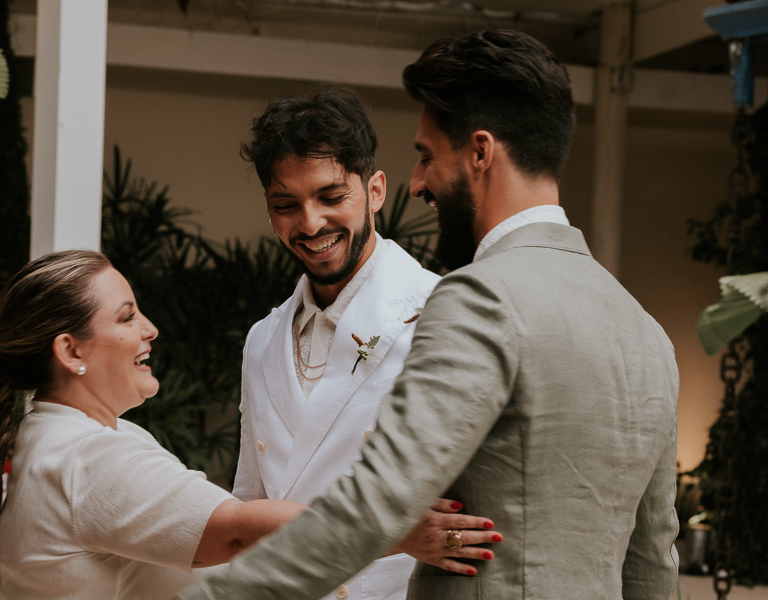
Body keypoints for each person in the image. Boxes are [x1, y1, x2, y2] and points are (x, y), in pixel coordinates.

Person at [181, 30, 680, 600]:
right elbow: (652, 564)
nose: (418, 182)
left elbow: (375, 505)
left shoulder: (476, 298)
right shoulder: (645, 330)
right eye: (286, 204)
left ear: (480, 152)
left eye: (425, 156)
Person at [0, 250, 495, 599]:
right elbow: (237, 536)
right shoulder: (88, 459)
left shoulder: (57, 437)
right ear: (70, 351)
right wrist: (402, 531)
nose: (149, 329)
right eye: (127, 317)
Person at [231, 88, 499, 599]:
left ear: (375, 191)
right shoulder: (262, 339)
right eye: (286, 204)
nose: (310, 224)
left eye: (332, 197)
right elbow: (250, 501)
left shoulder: (444, 314)